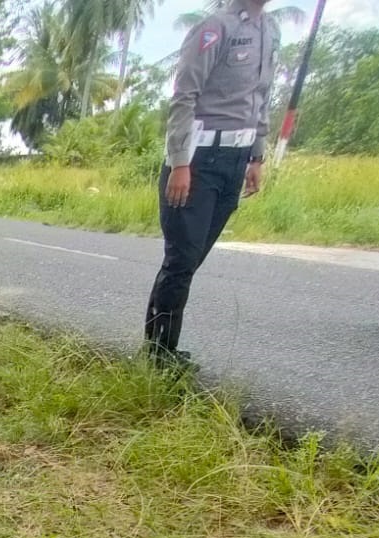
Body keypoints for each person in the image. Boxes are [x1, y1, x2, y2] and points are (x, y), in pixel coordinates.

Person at [143, 0, 278, 368]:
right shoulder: (213, 29)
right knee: (181, 260)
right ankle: (159, 354)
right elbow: (184, 97)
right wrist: (180, 163)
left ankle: (159, 346)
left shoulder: (270, 31)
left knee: (189, 260)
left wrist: (256, 156)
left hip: (235, 161)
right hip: (199, 160)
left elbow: (262, 100)